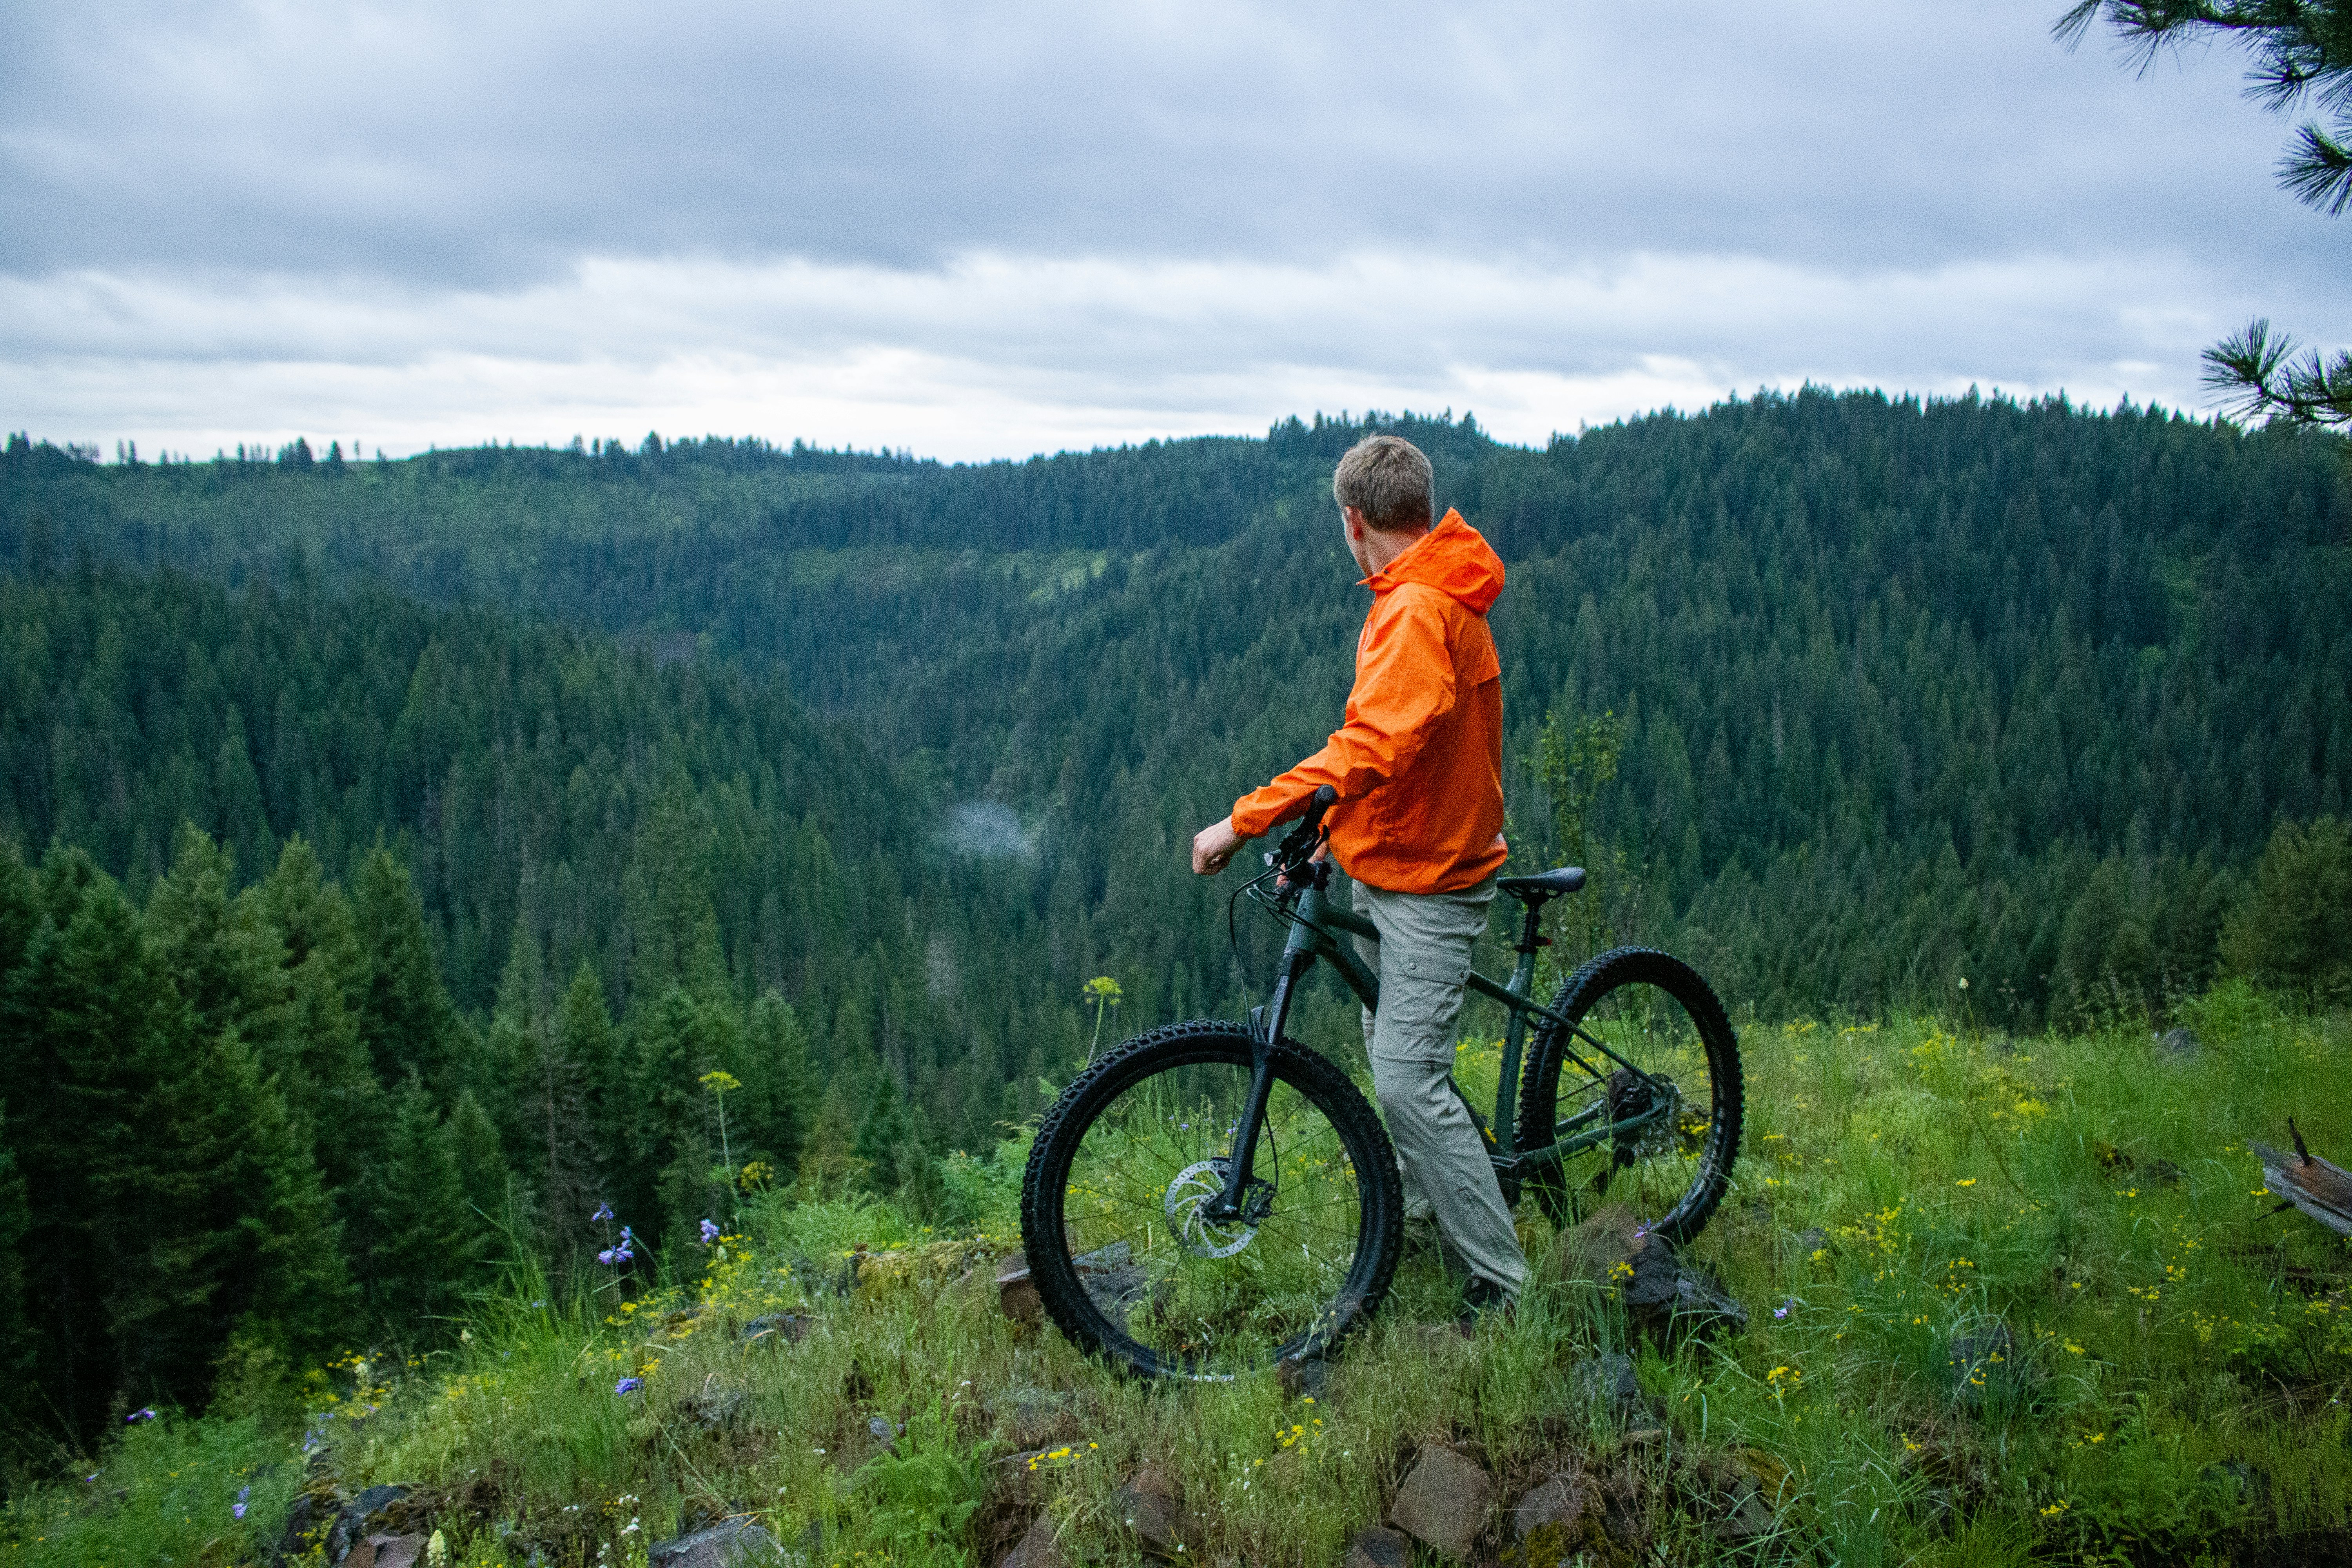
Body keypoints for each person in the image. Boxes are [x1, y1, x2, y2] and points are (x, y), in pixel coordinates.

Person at [1190, 433, 1528, 1316]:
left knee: (1409, 1081)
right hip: (1401, 855)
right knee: (1393, 1058)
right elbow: (1399, 755)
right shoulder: (1426, 587)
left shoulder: (1418, 608)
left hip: (1433, 879)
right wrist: (1327, 832)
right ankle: (1422, 1214)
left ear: (1353, 521)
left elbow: (1372, 745)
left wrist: (1245, 817)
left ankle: (1501, 1285)